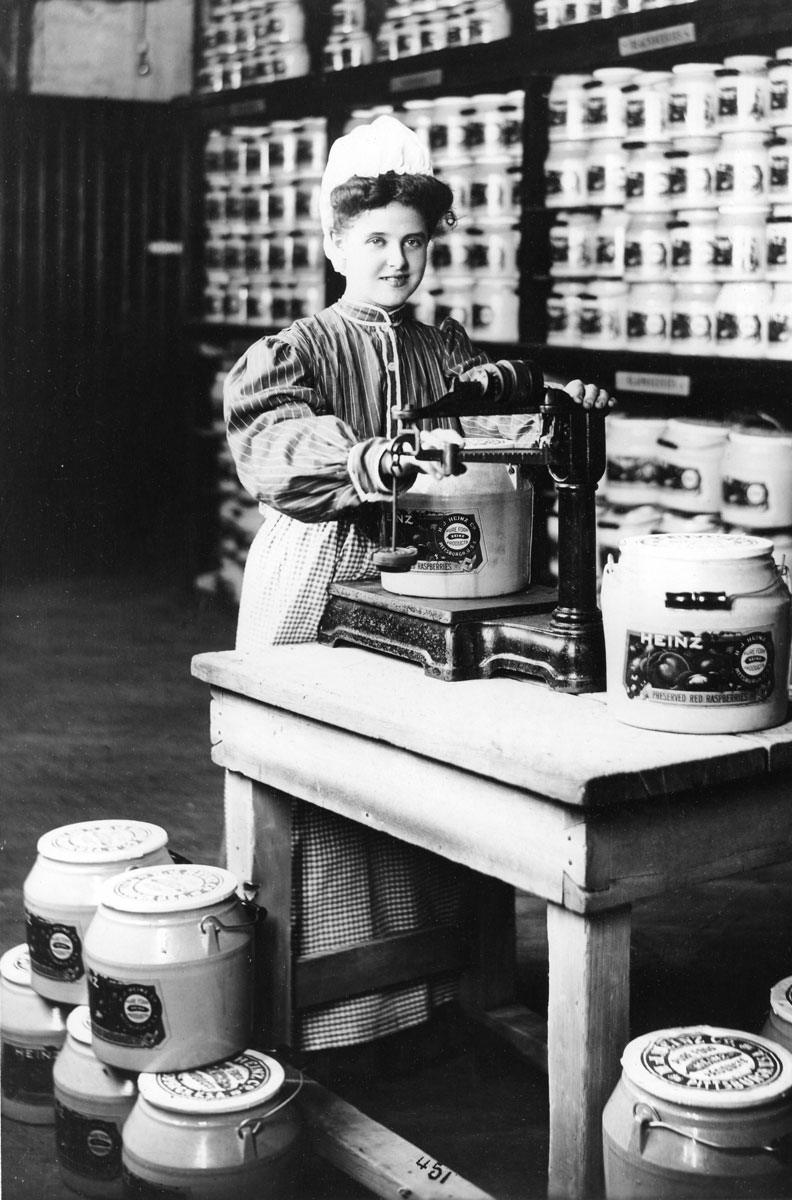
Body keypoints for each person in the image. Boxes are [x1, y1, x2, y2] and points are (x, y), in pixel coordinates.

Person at [223, 115, 613, 1052]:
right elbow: (272, 445)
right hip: (321, 571)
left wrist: (563, 400)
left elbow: (499, 407)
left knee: (424, 778)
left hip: (425, 572)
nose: (397, 262)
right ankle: (314, 1017)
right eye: (375, 243)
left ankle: (427, 996)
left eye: (413, 243)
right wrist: (365, 456)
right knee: (314, 787)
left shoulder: (444, 349)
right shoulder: (298, 348)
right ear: (333, 244)